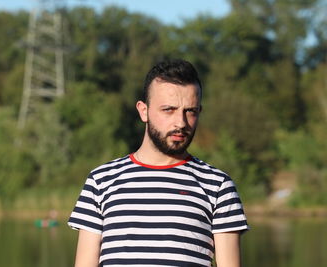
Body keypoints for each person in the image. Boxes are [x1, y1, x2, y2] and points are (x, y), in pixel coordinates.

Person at [68, 59, 249, 267]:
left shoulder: (218, 186)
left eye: (190, 111)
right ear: (143, 111)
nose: (181, 123)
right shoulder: (101, 181)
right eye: (169, 110)